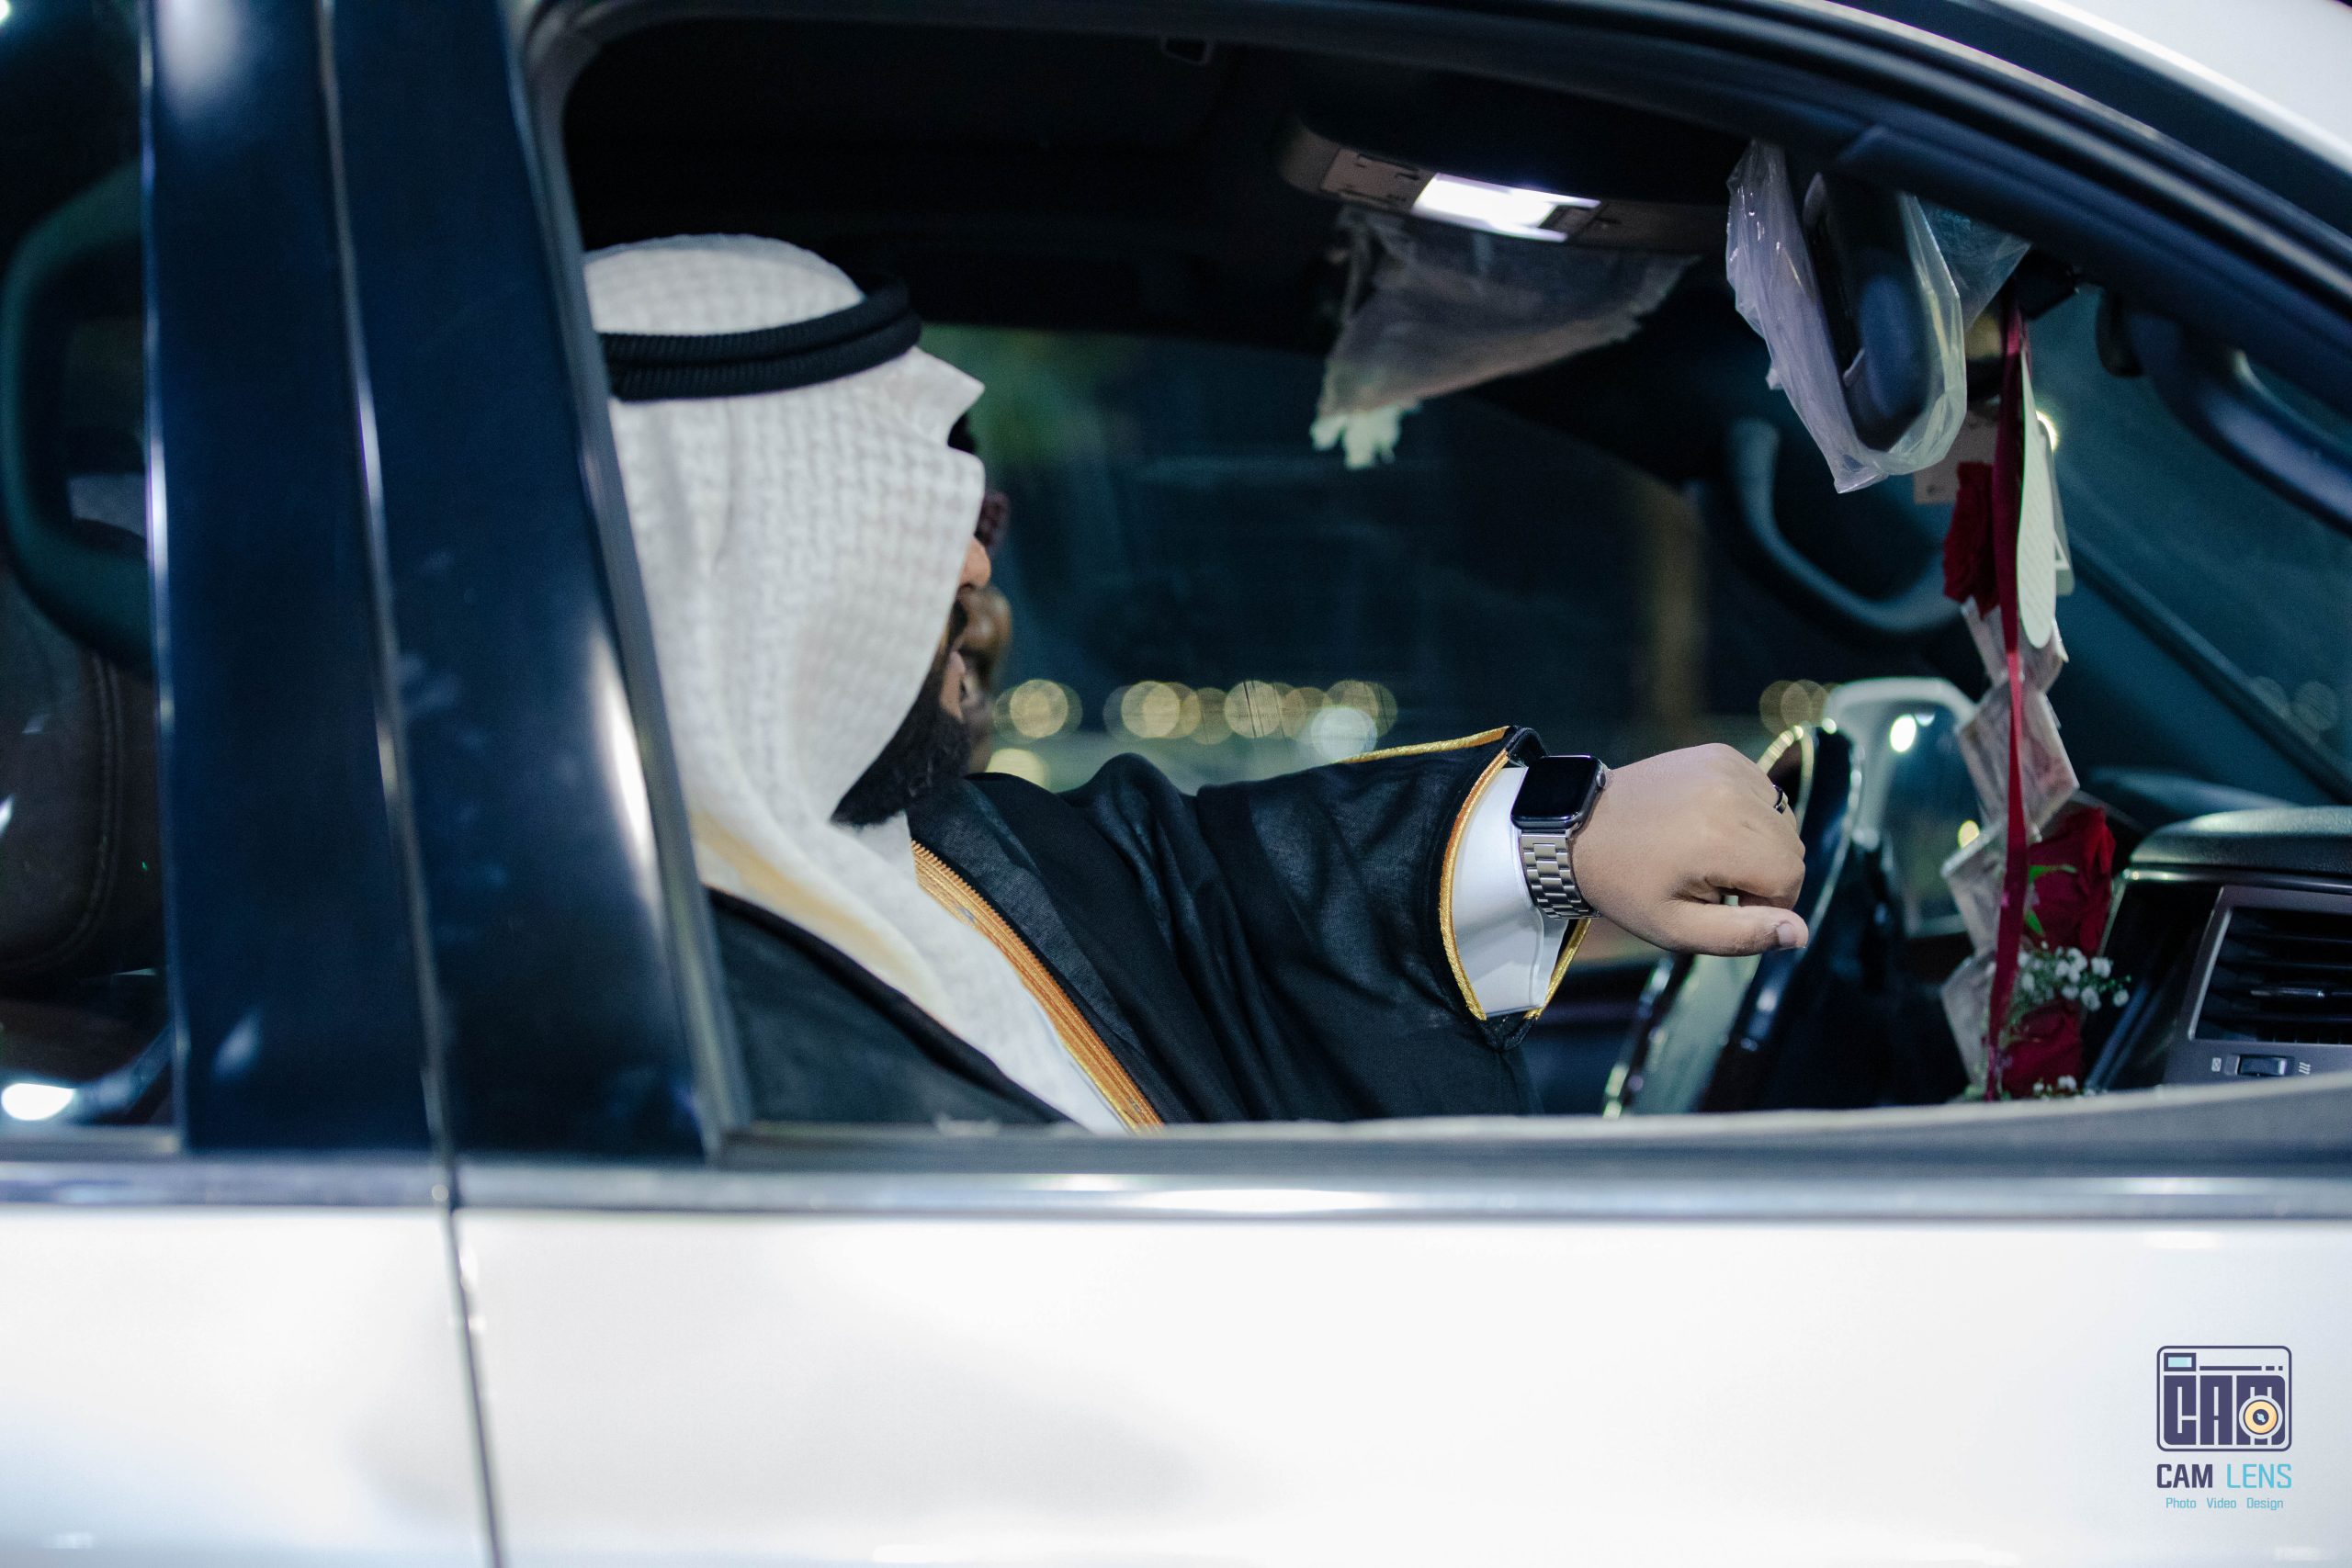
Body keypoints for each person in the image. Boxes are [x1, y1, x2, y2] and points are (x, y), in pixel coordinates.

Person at [589, 234, 1804, 1130]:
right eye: (901, 512)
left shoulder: (923, 849)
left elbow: (1224, 895)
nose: (971, 564)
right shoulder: (660, 1038)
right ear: (737, 568)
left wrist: (1569, 837)